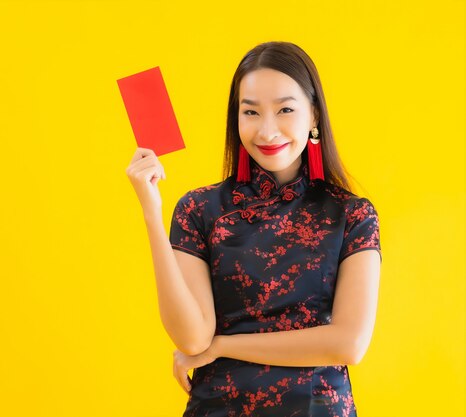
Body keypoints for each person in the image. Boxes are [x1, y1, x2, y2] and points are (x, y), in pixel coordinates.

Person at [125, 41, 381, 417]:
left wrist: (224, 347)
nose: (267, 130)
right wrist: (151, 211)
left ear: (314, 117)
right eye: (251, 112)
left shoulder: (351, 214)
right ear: (236, 118)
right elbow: (193, 337)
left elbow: (348, 344)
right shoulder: (199, 209)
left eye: (285, 110)